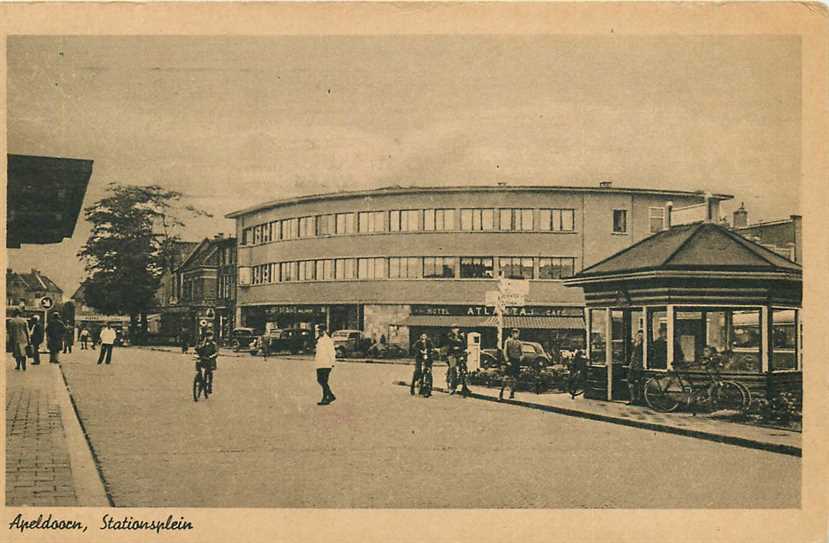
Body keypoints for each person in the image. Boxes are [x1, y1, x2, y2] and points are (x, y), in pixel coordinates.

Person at [314, 325, 336, 405]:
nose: (319, 332)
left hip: (326, 364)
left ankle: (326, 398)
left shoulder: (328, 340)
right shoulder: (319, 340)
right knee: (320, 380)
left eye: (320, 331)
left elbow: (332, 352)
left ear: (324, 331)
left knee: (323, 381)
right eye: (318, 331)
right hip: (319, 363)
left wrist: (333, 362)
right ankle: (330, 395)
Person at [499, 328, 523, 400]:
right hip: (510, 360)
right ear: (512, 334)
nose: (516, 335)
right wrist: (507, 361)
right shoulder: (508, 341)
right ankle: (501, 392)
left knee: (515, 378)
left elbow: (522, 353)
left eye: (517, 333)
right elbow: (505, 351)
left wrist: (520, 358)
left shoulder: (519, 343)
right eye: (514, 333)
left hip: (516, 361)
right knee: (506, 377)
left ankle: (512, 393)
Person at [410, 332, 434, 397]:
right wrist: (420, 351)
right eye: (423, 336)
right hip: (419, 358)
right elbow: (414, 347)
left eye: (425, 336)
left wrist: (429, 350)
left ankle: (429, 389)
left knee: (429, 373)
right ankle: (412, 387)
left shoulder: (429, 342)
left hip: (428, 358)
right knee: (418, 371)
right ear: (421, 336)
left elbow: (432, 348)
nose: (424, 337)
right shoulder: (418, 342)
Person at [445, 324, 466, 395]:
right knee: (453, 369)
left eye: (457, 328)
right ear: (451, 330)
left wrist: (465, 349)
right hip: (451, 354)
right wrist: (458, 343)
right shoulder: (449, 336)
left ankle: (464, 386)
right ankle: (452, 387)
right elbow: (451, 343)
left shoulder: (461, 336)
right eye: (454, 328)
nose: (455, 330)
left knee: (463, 368)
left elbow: (464, 344)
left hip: (459, 354)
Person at [627, 330, 645, 405]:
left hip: (639, 367)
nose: (638, 338)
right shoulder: (635, 345)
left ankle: (638, 399)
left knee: (638, 383)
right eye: (638, 336)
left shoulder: (642, 346)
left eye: (640, 336)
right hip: (633, 366)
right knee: (631, 382)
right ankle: (633, 399)